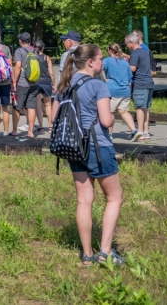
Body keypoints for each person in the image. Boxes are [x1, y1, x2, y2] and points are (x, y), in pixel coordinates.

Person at [52, 43, 124, 266]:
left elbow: (54, 118)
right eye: (101, 59)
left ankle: (87, 255)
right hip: (97, 146)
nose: (103, 63)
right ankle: (105, 251)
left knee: (84, 201)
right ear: (91, 62)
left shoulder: (64, 85)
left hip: (73, 147)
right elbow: (105, 120)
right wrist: (112, 118)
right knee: (115, 197)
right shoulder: (98, 86)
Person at [101, 44, 138, 138]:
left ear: (110, 50)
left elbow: (99, 67)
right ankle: (134, 131)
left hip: (112, 90)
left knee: (109, 112)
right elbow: (130, 77)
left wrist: (104, 79)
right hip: (125, 91)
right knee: (123, 111)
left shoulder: (107, 60)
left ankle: (109, 134)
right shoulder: (125, 62)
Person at [125, 33, 154, 141]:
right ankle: (146, 132)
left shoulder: (135, 53)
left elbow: (132, 68)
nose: (127, 46)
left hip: (140, 83)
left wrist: (123, 66)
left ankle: (140, 132)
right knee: (145, 108)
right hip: (149, 82)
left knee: (139, 108)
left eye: (127, 44)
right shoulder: (144, 51)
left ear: (131, 43)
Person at [12, 33, 39, 136]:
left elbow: (18, 66)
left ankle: (14, 131)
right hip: (34, 82)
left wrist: (14, 81)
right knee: (31, 107)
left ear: (20, 41)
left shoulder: (19, 51)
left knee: (17, 107)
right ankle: (30, 132)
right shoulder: (35, 51)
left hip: (22, 83)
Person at [33, 40, 56, 132]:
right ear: (43, 47)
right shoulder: (47, 57)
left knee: (38, 105)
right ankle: (51, 126)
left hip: (36, 82)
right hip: (46, 82)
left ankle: (41, 126)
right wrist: (53, 83)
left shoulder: (32, 57)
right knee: (48, 105)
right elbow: (51, 72)